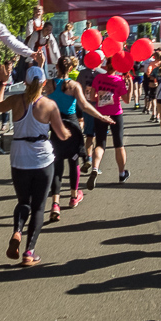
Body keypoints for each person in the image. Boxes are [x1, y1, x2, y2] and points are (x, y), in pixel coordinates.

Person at [0, 66, 70, 266]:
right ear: (44, 83)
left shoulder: (16, 100)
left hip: (19, 157)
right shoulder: (49, 104)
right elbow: (61, 134)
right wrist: (73, 135)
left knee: (23, 202)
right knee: (38, 207)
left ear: (25, 82)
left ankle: (17, 231)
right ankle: (29, 252)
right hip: (42, 158)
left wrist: (2, 83)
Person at [46, 56, 114, 222]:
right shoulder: (74, 85)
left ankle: (55, 203)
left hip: (55, 125)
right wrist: (101, 116)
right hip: (72, 126)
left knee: (57, 163)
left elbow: (44, 102)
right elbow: (84, 106)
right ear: (70, 69)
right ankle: (73, 196)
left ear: (57, 67)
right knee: (73, 161)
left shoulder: (49, 84)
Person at [88, 60, 133, 187]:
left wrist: (102, 98)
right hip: (115, 114)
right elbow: (127, 100)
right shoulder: (119, 80)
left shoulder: (98, 78)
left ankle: (95, 168)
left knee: (100, 143)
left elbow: (92, 98)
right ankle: (121, 173)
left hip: (100, 114)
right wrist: (131, 86)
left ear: (106, 66)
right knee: (119, 144)